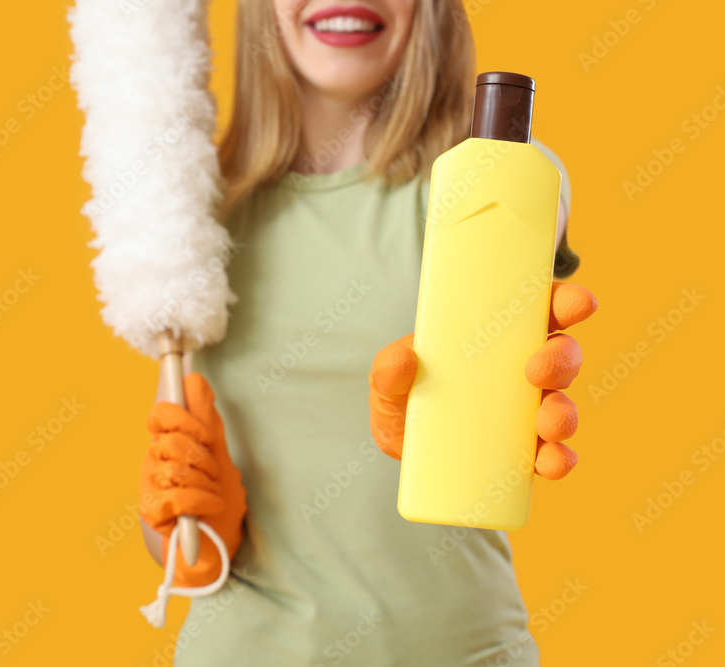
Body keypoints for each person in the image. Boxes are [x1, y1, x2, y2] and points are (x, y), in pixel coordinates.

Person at [139, 1, 597, 664]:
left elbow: (530, 202)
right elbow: (178, 548)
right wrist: (183, 514)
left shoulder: (483, 180)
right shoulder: (194, 216)